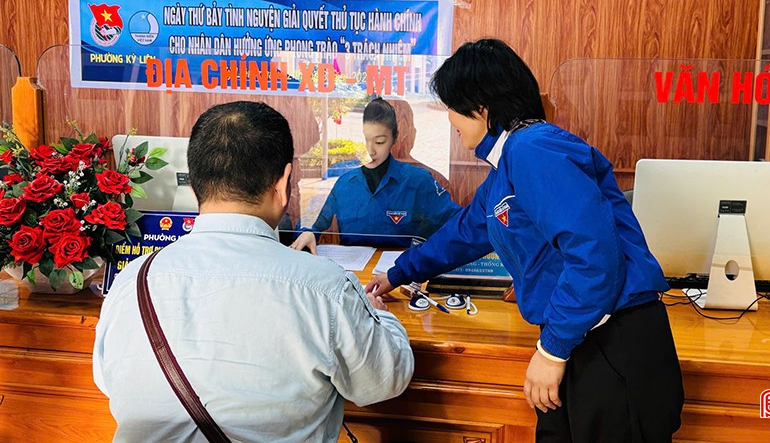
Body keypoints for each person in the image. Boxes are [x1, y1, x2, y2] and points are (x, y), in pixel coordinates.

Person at [368, 39, 684, 442]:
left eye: (452, 106)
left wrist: (552, 350)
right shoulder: (506, 165)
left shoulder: (534, 149)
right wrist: (397, 274)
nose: (450, 119)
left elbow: (593, 256)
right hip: (579, 333)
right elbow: (465, 233)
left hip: (612, 340)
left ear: (481, 107)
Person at [93, 101, 414, 442]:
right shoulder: (325, 289)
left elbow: (108, 380)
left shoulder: (132, 282)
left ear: (193, 185)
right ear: (283, 184)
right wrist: (381, 316)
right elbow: (386, 380)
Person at [291, 97, 460, 252]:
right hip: (353, 271)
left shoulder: (418, 181)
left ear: (394, 139)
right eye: (366, 140)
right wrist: (307, 232)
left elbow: (456, 222)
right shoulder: (343, 182)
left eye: (379, 142)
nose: (370, 150)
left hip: (401, 270)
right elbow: (311, 219)